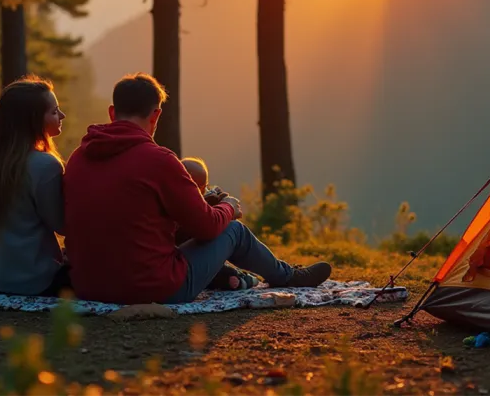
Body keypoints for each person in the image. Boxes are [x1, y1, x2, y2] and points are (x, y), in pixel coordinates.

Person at [63, 72, 332, 305]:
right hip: (152, 289)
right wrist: (228, 207)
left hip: (88, 288)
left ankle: (225, 275)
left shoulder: (78, 158)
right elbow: (207, 227)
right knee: (233, 231)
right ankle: (288, 277)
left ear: (112, 112)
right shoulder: (159, 160)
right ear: (155, 115)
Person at [0, 75, 70, 297]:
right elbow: (62, 225)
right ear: (33, 120)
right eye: (54, 111)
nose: (62, 115)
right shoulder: (44, 165)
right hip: (30, 283)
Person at [179, 157, 258, 291]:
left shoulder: (210, 197)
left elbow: (221, 196)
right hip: (189, 258)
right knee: (214, 268)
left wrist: (224, 203)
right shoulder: (181, 204)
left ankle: (236, 277)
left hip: (190, 257)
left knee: (211, 268)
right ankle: (237, 277)